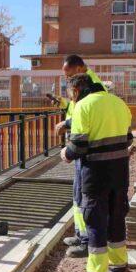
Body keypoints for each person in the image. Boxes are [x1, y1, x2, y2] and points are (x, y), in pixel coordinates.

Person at [61, 73, 132, 272]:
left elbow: (78, 146)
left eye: (70, 94)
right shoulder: (120, 103)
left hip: (95, 174)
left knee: (95, 222)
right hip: (120, 172)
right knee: (116, 217)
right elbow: (128, 138)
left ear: (76, 90)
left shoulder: (83, 106)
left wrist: (66, 153)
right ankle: (119, 265)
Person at [53, 55, 104, 258]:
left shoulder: (92, 85)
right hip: (80, 141)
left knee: (84, 194)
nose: (68, 80)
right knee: (78, 193)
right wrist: (65, 105)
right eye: (66, 77)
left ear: (81, 68)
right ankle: (81, 234)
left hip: (85, 147)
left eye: (70, 75)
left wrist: (65, 124)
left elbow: (88, 113)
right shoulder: (85, 85)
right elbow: (78, 108)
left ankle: (86, 239)